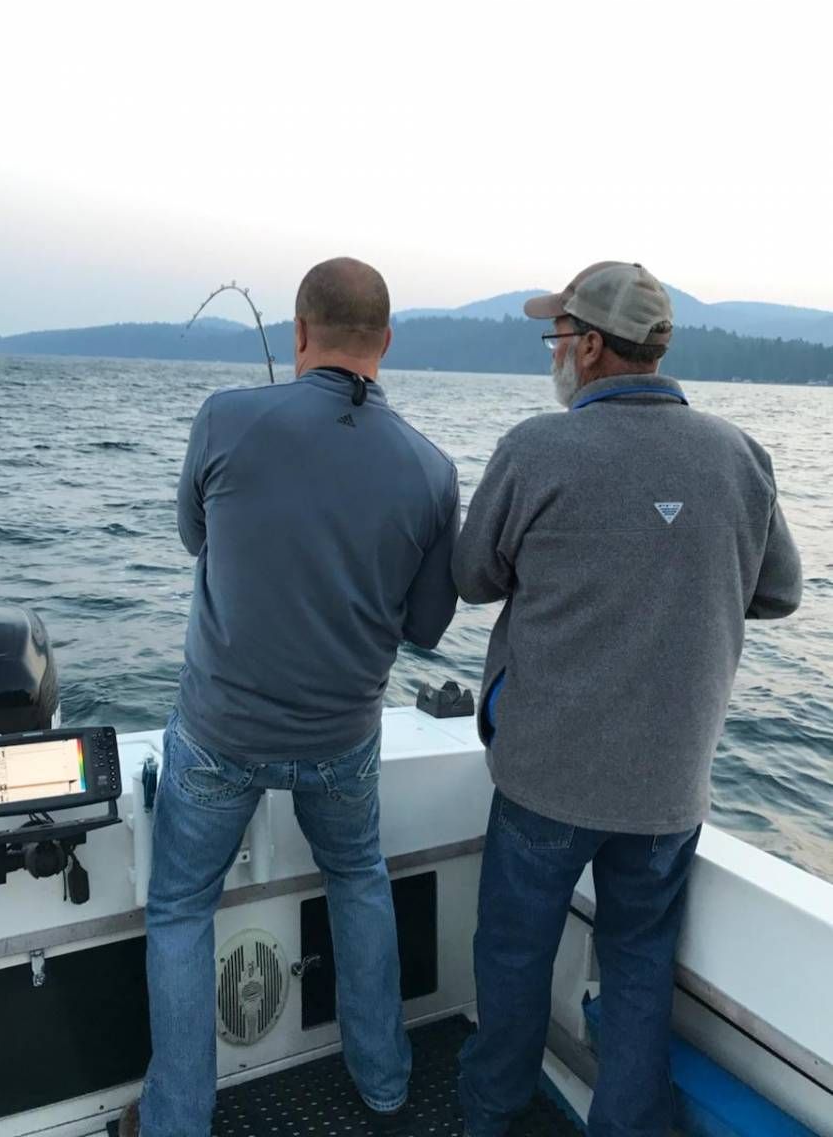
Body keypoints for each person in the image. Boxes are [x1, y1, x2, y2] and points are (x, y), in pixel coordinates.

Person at [452, 261, 802, 1137]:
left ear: (594, 347)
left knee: (512, 960)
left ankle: (490, 1117)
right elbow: (781, 592)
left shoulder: (536, 448)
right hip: (667, 792)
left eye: (559, 336)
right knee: (641, 976)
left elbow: (472, 576)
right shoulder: (740, 456)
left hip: (544, 779)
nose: (554, 352)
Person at [121, 257, 460, 1137]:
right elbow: (426, 626)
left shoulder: (226, 418)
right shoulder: (431, 467)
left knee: (181, 907)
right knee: (358, 878)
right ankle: (385, 1086)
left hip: (218, 733)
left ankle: (176, 1122)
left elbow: (196, 534)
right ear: (385, 344)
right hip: (344, 740)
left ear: (299, 334)